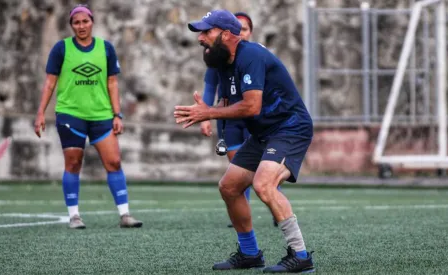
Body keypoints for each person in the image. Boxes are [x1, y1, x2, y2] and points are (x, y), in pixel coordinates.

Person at [175, 9, 315, 273]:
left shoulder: (251, 56)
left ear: (226, 35)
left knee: (263, 184)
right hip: (263, 133)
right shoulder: (223, 63)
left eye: (207, 32)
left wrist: (208, 112)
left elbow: (251, 106)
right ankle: (250, 254)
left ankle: (301, 255)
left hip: (290, 128)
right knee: (229, 187)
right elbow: (230, 104)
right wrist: (210, 115)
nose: (200, 38)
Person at [34, 4, 142, 229]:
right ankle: (74, 216)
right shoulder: (61, 48)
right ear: (71, 25)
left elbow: (112, 83)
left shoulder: (106, 48)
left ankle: (125, 215)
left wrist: (117, 114)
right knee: (73, 164)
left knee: (114, 162)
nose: (81, 26)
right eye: (76, 22)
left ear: (92, 22)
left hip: (101, 115)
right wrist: (40, 113)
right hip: (70, 115)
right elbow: (50, 83)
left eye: (85, 21)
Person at [199, 12, 280, 228]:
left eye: (244, 29)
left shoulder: (255, 55)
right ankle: (242, 214)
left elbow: (258, 101)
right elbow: (210, 87)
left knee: (265, 170)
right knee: (238, 171)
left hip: (256, 119)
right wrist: (204, 115)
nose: (241, 32)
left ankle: (276, 208)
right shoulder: (218, 59)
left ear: (249, 32)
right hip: (231, 118)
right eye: (239, 28)